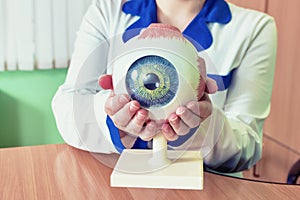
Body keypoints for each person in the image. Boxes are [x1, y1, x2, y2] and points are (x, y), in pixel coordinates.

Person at [52, 0, 277, 174]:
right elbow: (68, 107)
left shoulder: (254, 28)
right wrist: (113, 116)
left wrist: (201, 127)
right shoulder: (106, 11)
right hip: (109, 179)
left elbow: (247, 148)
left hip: (206, 187)